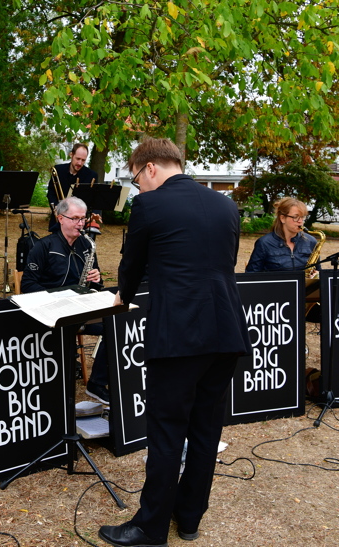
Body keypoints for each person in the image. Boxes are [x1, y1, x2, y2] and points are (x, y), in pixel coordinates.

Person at [100, 138, 249, 547]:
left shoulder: (150, 205)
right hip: (226, 331)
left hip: (180, 334)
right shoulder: (225, 204)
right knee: (205, 431)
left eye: (135, 179)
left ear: (150, 167)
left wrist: (122, 296)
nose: (138, 188)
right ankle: (188, 519)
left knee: (167, 432)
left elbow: (133, 262)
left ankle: (150, 528)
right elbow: (224, 263)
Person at [21, 196, 109, 404]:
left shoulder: (87, 246)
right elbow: (28, 285)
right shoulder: (42, 246)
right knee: (64, 333)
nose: (81, 224)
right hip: (53, 313)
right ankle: (60, 390)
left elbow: (96, 285)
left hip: (80, 310)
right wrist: (56, 300)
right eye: (75, 219)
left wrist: (97, 280)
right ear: (60, 218)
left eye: (83, 219)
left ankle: (97, 384)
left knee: (115, 325)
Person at [245, 197, 319, 273]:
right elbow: (251, 275)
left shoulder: (311, 242)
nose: (300, 221)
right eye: (295, 217)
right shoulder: (264, 243)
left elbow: (318, 271)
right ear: (282, 218)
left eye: (303, 217)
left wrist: (316, 276)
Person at [47, 143, 100, 233]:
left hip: (81, 223)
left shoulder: (92, 175)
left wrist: (95, 213)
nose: (80, 163)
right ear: (71, 155)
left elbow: (95, 198)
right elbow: (51, 192)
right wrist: (56, 207)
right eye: (78, 159)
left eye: (83, 160)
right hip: (60, 221)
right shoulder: (58, 170)